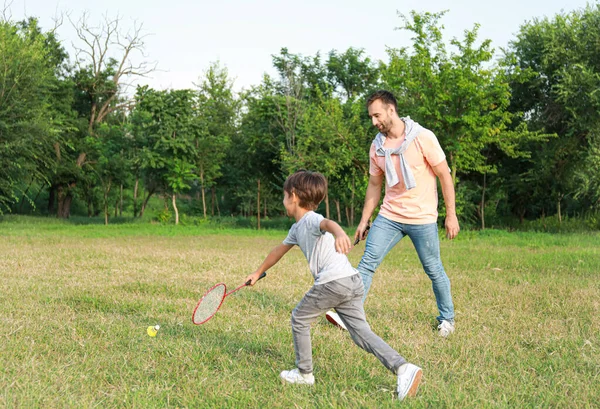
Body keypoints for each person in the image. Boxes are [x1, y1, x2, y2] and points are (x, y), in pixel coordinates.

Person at [245, 170, 422, 400]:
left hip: (332, 283)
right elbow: (279, 250)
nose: (283, 201)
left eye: (284, 195)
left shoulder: (310, 220)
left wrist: (339, 233)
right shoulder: (297, 228)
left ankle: (304, 373)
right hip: (351, 281)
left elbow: (327, 223)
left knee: (299, 318)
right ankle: (403, 368)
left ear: (294, 196)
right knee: (361, 334)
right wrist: (258, 272)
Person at [326, 90, 459, 338]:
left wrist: (450, 215)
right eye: (371, 117)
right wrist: (364, 220)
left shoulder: (422, 138)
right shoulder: (377, 147)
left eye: (377, 115)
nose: (374, 122)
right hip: (390, 216)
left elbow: (444, 175)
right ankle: (350, 316)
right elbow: (375, 185)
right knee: (367, 263)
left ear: (391, 110)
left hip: (422, 218)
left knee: (433, 269)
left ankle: (447, 319)